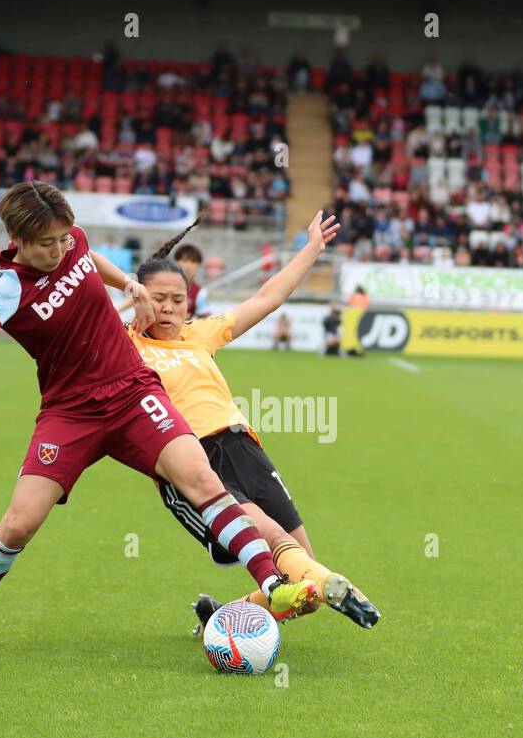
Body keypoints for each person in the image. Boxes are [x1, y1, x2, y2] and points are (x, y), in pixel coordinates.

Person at [0, 181, 317, 649]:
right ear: (17, 239)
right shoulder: (6, 287)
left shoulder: (74, 242)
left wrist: (129, 282)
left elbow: (88, 257)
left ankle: (273, 584)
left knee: (202, 480)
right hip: (71, 412)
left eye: (64, 238)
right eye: (46, 244)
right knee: (19, 524)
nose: (59, 249)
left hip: (133, 392)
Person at [125, 210, 379, 631]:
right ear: (138, 296)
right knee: (280, 549)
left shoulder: (198, 334)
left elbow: (266, 298)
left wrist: (312, 249)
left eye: (177, 299)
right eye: (158, 298)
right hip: (189, 460)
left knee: (306, 593)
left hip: (245, 449)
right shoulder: (124, 346)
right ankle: (335, 582)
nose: (168, 308)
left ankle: (221, 620)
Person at [172, 243, 209, 317]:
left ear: (198, 265)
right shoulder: (162, 285)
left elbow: (204, 320)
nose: (188, 266)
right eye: (184, 260)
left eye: (193, 262)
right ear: (175, 262)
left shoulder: (200, 292)